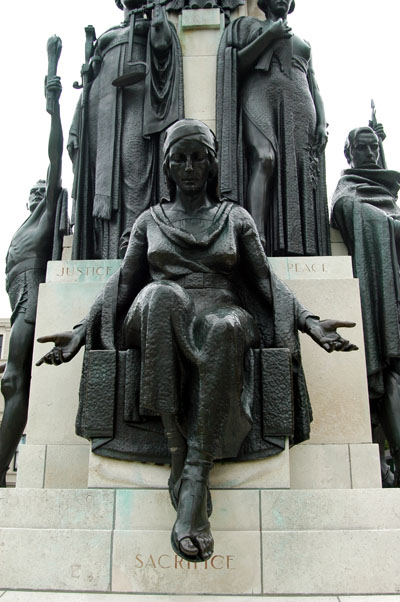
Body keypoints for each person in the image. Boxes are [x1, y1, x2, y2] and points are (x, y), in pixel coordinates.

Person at [38, 119, 357, 561]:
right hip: (156, 313)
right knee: (161, 294)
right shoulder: (151, 220)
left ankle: (194, 471)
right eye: (180, 159)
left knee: (227, 326)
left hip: (221, 309)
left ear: (211, 164)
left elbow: (265, 281)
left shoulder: (235, 218)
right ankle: (175, 446)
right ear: (168, 167)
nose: (189, 167)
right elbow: (125, 282)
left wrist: (308, 320)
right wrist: (81, 330)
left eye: (198, 157)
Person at [68, 0, 183, 260]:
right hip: (103, 108)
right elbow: (91, 76)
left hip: (138, 99)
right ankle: (106, 248)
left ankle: (134, 239)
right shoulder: (108, 34)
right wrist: (78, 120)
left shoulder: (151, 22)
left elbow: (163, 45)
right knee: (105, 177)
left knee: (134, 164)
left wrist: (158, 13)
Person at [0, 57, 69, 487]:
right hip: (19, 298)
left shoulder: (47, 216)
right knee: (14, 382)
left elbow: (54, 155)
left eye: (43, 190)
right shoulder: (25, 224)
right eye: (33, 190)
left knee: (13, 380)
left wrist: (54, 103)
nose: (37, 193)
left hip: (31, 301)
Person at [216, 0, 330, 256]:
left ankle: (298, 242)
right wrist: (269, 36)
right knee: (264, 158)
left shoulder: (304, 42)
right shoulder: (246, 25)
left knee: (299, 168)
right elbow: (235, 64)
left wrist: (322, 122)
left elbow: (314, 85)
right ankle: (255, 235)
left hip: (299, 103)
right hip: (259, 94)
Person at [331, 125, 400, 488]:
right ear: (349, 153)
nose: (370, 154)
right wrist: (387, 224)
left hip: (396, 282)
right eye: (363, 148)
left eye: (374, 148)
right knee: (388, 378)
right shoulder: (349, 187)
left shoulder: (386, 190)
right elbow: (346, 209)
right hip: (379, 292)